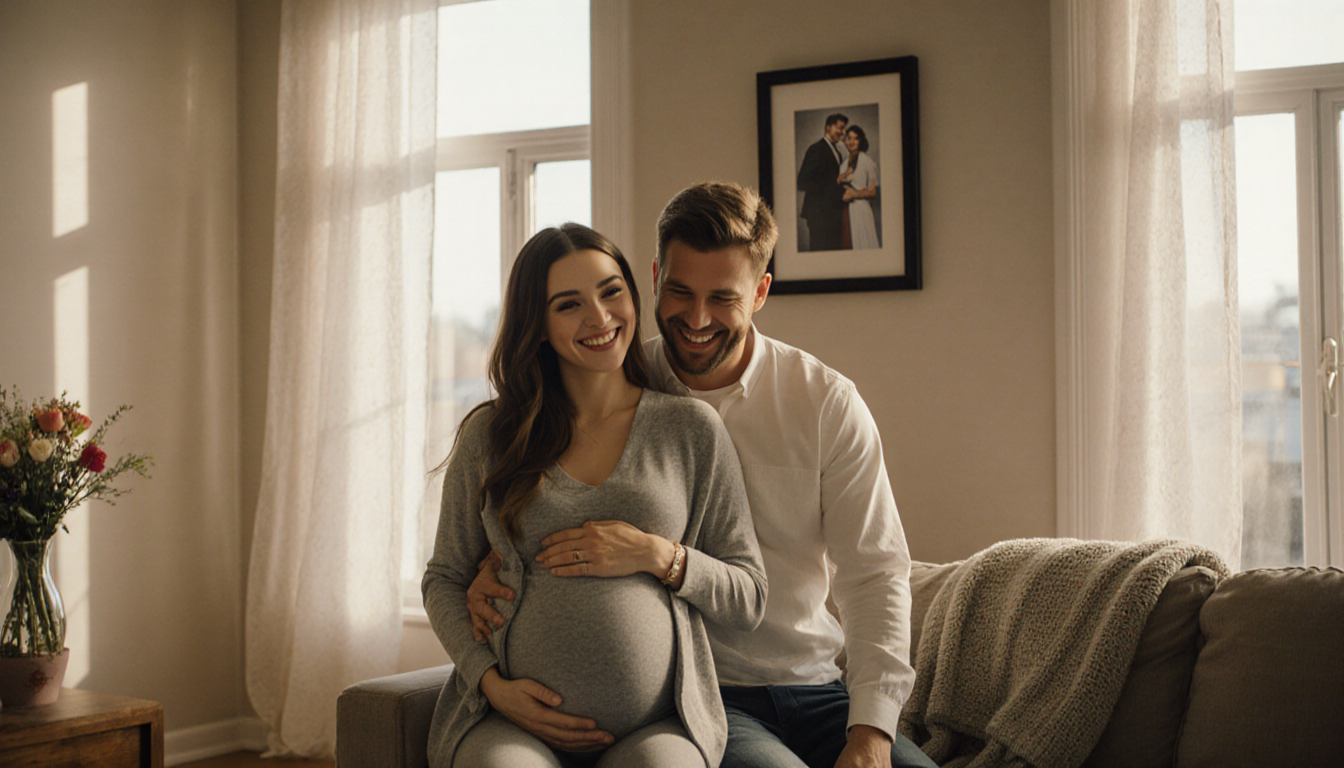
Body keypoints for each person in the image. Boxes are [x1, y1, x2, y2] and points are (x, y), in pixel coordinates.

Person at [469, 184, 936, 768]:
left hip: (818, 688)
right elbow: (554, 503)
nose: (696, 320)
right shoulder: (619, 381)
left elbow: (873, 574)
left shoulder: (823, 402)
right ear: (656, 276)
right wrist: (489, 567)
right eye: (681, 292)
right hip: (703, 695)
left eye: (723, 298)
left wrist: (871, 732)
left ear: (761, 291)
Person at [422, 223, 767, 768]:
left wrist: (659, 556)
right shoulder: (492, 436)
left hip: (660, 725)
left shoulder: (690, 429)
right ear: (537, 324)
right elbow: (444, 577)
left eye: (611, 291)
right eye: (568, 304)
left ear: (635, 295)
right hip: (510, 724)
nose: (600, 318)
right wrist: (490, 684)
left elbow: (749, 595)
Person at [796, 112, 850, 251]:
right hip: (819, 216)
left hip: (833, 215)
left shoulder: (837, 151)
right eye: (840, 128)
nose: (843, 132)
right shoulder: (816, 149)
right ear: (828, 128)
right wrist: (834, 181)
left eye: (844, 129)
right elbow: (802, 182)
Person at [839, 125, 880, 250]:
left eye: (855, 139)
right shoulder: (843, 164)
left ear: (860, 141)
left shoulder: (866, 160)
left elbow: (872, 192)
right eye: (849, 138)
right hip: (847, 212)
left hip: (861, 210)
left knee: (863, 244)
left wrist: (854, 194)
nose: (851, 142)